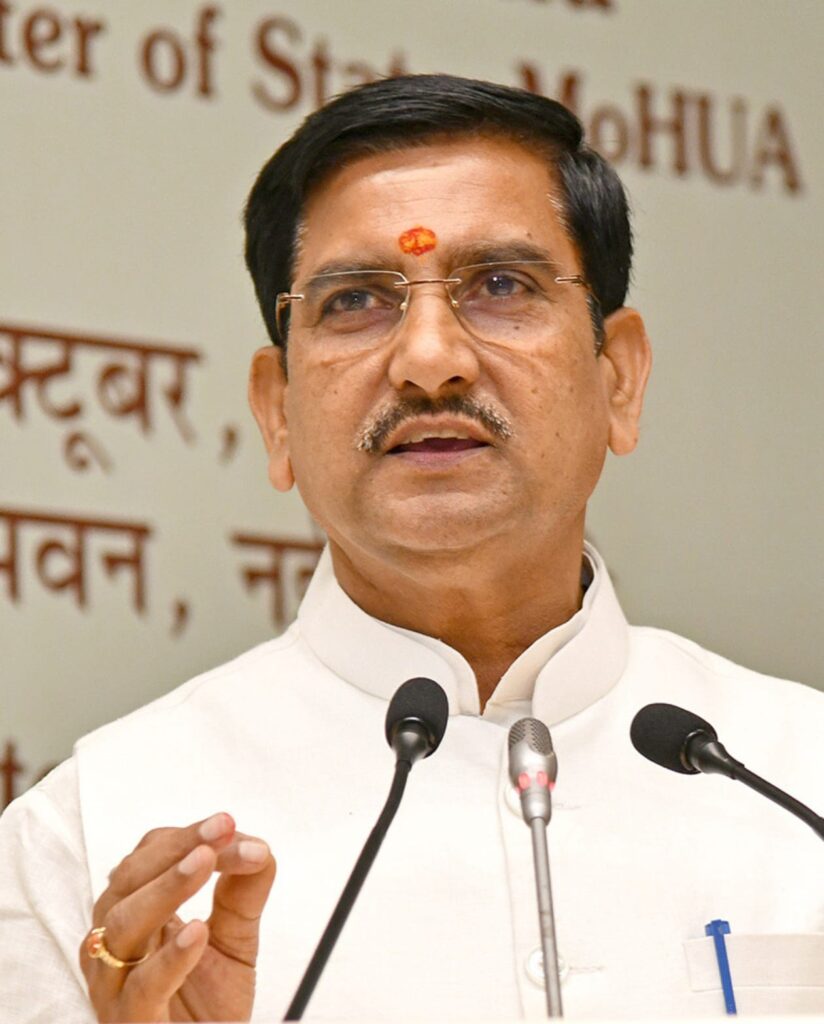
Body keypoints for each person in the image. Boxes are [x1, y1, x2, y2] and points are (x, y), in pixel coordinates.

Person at [1, 74, 822, 1023]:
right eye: (355, 300)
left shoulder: (800, 778)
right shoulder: (93, 841)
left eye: (501, 286)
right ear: (277, 414)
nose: (430, 360)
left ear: (620, 381)